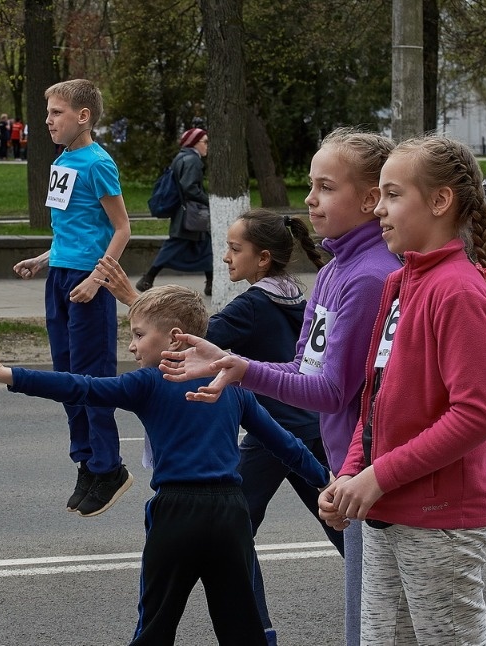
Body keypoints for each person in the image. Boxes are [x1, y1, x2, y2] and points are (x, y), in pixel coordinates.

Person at [0, 285, 332, 645]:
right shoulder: (231, 384)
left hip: (177, 512)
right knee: (241, 628)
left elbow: (82, 387)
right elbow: (284, 442)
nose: (131, 345)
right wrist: (324, 481)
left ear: (174, 339)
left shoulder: (148, 382)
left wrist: (8, 375)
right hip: (231, 514)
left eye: (139, 334)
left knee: (155, 625)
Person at [158, 127, 401, 646]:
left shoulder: (366, 276)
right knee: (368, 620)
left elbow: (333, 392)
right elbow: (304, 369)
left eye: (326, 187)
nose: (310, 199)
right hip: (352, 466)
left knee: (383, 626)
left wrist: (240, 370)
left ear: (369, 198)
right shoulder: (337, 269)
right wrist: (233, 361)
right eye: (311, 185)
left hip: (375, 471)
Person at [94, 209, 339, 645]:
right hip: (309, 423)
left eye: (234, 248)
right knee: (337, 521)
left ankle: (258, 630)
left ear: (262, 259)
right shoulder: (295, 295)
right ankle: (384, 587)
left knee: (229, 527)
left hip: (274, 432)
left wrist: (135, 298)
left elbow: (188, 337)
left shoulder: (253, 304)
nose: (225, 257)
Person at [315, 135, 486, 644]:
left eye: (393, 195)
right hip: (387, 512)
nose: (379, 208)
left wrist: (377, 477)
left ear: (440, 201)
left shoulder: (458, 290)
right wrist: (352, 471)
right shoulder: (403, 282)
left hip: (439, 524)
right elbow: (373, 401)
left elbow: (476, 415)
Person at [12, 79, 132, 518]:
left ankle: (109, 467)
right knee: (66, 379)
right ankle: (85, 461)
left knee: (91, 378)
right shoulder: (62, 160)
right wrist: (44, 259)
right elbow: (73, 228)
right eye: (48, 113)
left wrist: (98, 280)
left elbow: (122, 229)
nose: (48, 120)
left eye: (56, 112)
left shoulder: (98, 163)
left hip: (87, 284)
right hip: (61, 278)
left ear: (83, 116)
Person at [135, 127, 213, 296]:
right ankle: (147, 278)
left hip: (185, 213)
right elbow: (189, 187)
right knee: (175, 246)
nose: (208, 145)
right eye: (205, 142)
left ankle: (211, 283)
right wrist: (209, 201)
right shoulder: (192, 160)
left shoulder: (181, 157)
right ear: (194, 142)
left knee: (206, 245)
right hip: (189, 215)